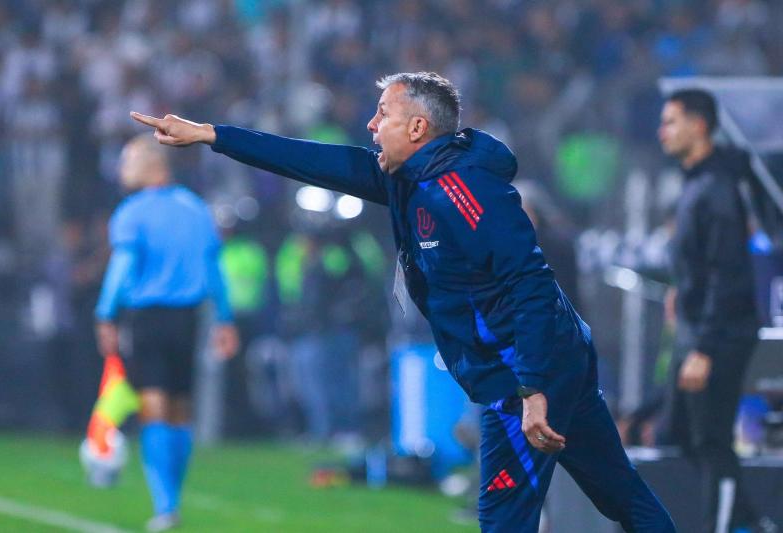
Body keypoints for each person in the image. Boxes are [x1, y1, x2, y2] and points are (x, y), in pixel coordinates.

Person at [130, 72, 674, 532]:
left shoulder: (463, 189)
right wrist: (211, 135)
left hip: (525, 373)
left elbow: (529, 283)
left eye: (383, 114)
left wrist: (532, 389)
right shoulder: (409, 179)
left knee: (503, 518)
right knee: (620, 494)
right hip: (547, 360)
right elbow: (309, 160)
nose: (371, 125)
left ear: (417, 128)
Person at [94, 134, 239, 532]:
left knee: (153, 407)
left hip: (149, 318)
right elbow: (213, 270)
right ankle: (172, 500)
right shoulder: (196, 209)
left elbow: (122, 268)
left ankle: (165, 505)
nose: (122, 169)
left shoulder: (132, 212)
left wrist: (105, 315)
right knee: (180, 407)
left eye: (128, 160)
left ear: (154, 165)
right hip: (188, 319)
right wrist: (225, 319)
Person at [658, 89, 772, 533]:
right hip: (696, 328)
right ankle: (756, 523)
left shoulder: (718, 187)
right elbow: (701, 263)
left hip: (719, 334)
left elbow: (729, 275)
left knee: (712, 442)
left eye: (671, 121)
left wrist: (704, 349)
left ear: (699, 125)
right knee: (681, 434)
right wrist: (680, 290)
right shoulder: (697, 182)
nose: (662, 131)